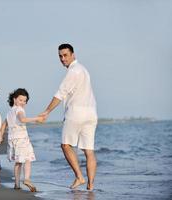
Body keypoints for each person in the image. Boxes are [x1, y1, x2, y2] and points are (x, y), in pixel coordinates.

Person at [40, 43, 98, 190]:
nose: (62, 58)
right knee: (89, 151)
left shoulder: (73, 71)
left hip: (76, 113)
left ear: (73, 54)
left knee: (65, 145)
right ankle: (91, 186)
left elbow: (60, 94)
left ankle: (79, 177)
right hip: (91, 113)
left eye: (65, 55)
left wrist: (47, 111)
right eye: (60, 56)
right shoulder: (84, 70)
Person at [0, 88, 44, 192]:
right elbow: (23, 119)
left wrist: (1, 136)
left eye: (25, 101)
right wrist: (37, 119)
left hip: (12, 139)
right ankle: (27, 179)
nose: (23, 103)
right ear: (14, 99)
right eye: (20, 100)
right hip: (21, 139)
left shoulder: (9, 112)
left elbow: (3, 125)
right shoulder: (19, 110)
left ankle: (16, 184)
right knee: (28, 159)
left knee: (18, 162)